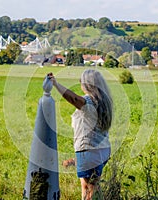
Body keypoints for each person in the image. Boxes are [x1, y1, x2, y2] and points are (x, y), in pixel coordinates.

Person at [48, 69, 112, 200]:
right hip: (103, 149)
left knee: (90, 189)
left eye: (81, 82)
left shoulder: (88, 101)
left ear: (88, 84)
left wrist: (55, 84)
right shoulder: (104, 101)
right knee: (89, 185)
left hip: (89, 150)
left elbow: (72, 98)